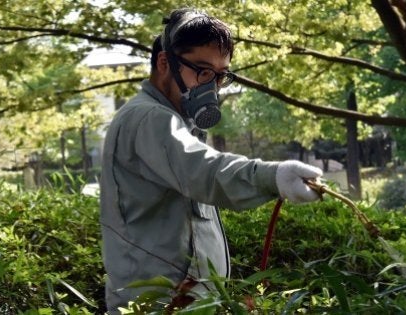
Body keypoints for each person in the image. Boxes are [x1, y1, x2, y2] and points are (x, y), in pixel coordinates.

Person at [99, 7, 323, 313]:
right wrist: (271, 177)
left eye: (220, 75)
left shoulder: (174, 121)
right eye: (203, 71)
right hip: (157, 305)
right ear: (165, 63)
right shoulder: (148, 117)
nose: (212, 86)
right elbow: (203, 172)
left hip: (183, 303)